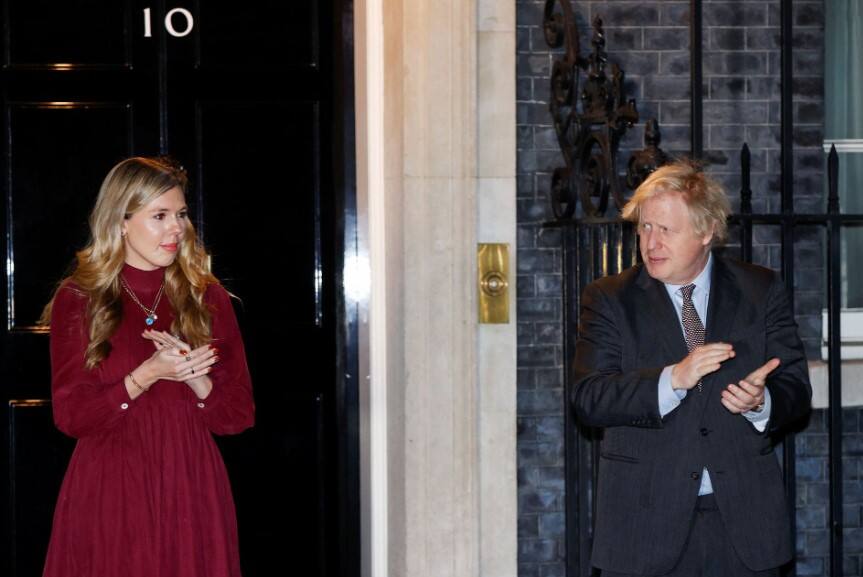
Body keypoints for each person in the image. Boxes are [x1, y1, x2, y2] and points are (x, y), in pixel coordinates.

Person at [571, 160, 811, 576]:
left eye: (666, 230)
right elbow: (589, 398)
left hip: (744, 527)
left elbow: (796, 390)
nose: (651, 242)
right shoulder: (609, 298)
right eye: (645, 227)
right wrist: (671, 380)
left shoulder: (761, 289)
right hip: (644, 527)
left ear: (705, 233)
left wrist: (762, 402)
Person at [40, 157, 254, 577]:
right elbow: (71, 416)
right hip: (111, 487)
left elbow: (238, 417)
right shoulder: (80, 299)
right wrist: (147, 375)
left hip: (191, 486)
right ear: (121, 221)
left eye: (180, 214)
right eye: (159, 216)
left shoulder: (208, 298)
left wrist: (198, 381)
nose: (176, 228)